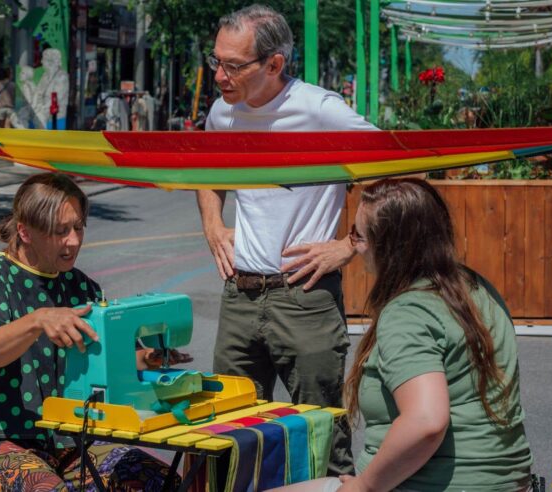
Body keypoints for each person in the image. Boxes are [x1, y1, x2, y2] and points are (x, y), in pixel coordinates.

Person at [196, 4, 377, 476]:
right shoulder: (222, 113)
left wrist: (350, 244)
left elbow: (399, 172)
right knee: (229, 437)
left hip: (304, 297)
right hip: (240, 295)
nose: (219, 75)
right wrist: (214, 225)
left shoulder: (320, 110)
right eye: (215, 60)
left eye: (233, 66)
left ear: (274, 64)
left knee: (321, 438)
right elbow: (204, 172)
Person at [273, 179, 533, 492]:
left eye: (358, 235)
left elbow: (425, 422)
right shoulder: (474, 286)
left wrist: (364, 486)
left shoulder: (408, 311)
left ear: (390, 246)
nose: (354, 246)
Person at [0, 173, 181, 491]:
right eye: (61, 231)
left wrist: (150, 357)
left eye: (78, 227)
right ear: (25, 231)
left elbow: (110, 356)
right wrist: (38, 320)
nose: (74, 240)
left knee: (163, 482)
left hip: (69, 443)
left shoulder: (81, 286)